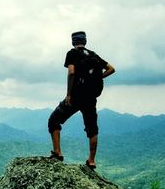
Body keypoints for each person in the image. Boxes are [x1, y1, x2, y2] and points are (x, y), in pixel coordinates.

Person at [48, 31, 115, 170]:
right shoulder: (93, 55)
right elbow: (111, 69)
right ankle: (91, 161)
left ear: (73, 42)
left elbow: (71, 72)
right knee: (92, 128)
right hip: (91, 98)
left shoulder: (72, 53)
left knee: (54, 120)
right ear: (85, 41)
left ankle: (57, 152)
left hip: (76, 96)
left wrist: (69, 94)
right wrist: (98, 78)